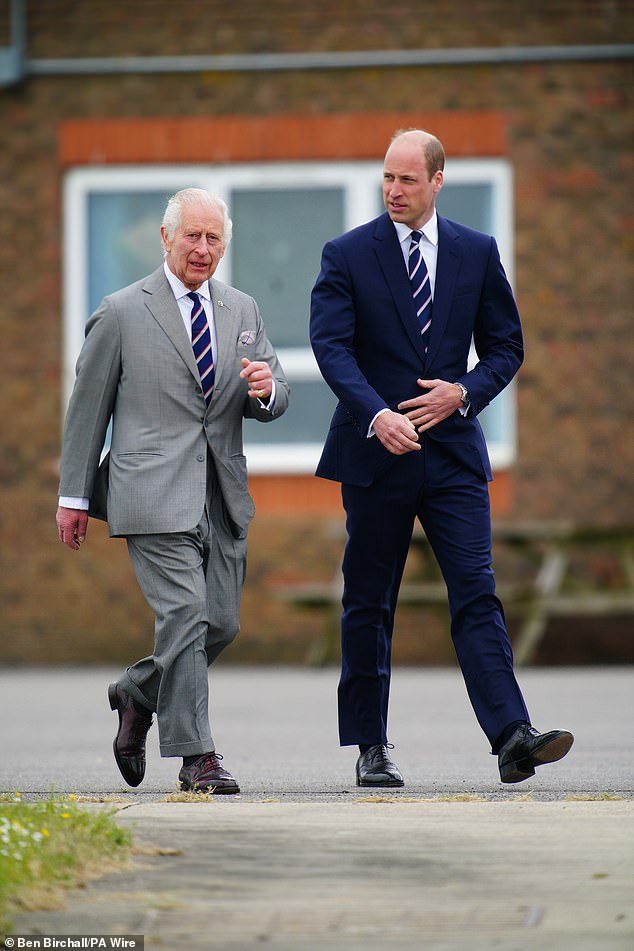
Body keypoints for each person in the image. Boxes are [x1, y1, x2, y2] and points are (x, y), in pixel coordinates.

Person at [310, 129, 573, 788]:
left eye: (407, 180)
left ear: (437, 180)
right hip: (376, 453)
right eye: (387, 179)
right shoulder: (347, 254)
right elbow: (331, 346)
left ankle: (513, 735)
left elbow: (507, 347)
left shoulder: (475, 253)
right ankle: (370, 744)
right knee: (369, 602)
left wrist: (465, 392)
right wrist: (378, 413)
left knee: (476, 593)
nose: (393, 191)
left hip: (453, 454)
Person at [57, 187, 289, 794]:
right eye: (193, 236)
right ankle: (197, 758)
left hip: (222, 492)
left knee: (221, 623)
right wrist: (74, 496)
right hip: (150, 488)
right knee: (184, 613)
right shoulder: (122, 311)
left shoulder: (242, 310)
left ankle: (138, 691)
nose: (203, 249)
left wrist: (267, 387)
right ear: (166, 238)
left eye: (214, 239)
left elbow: (275, 392)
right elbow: (87, 410)